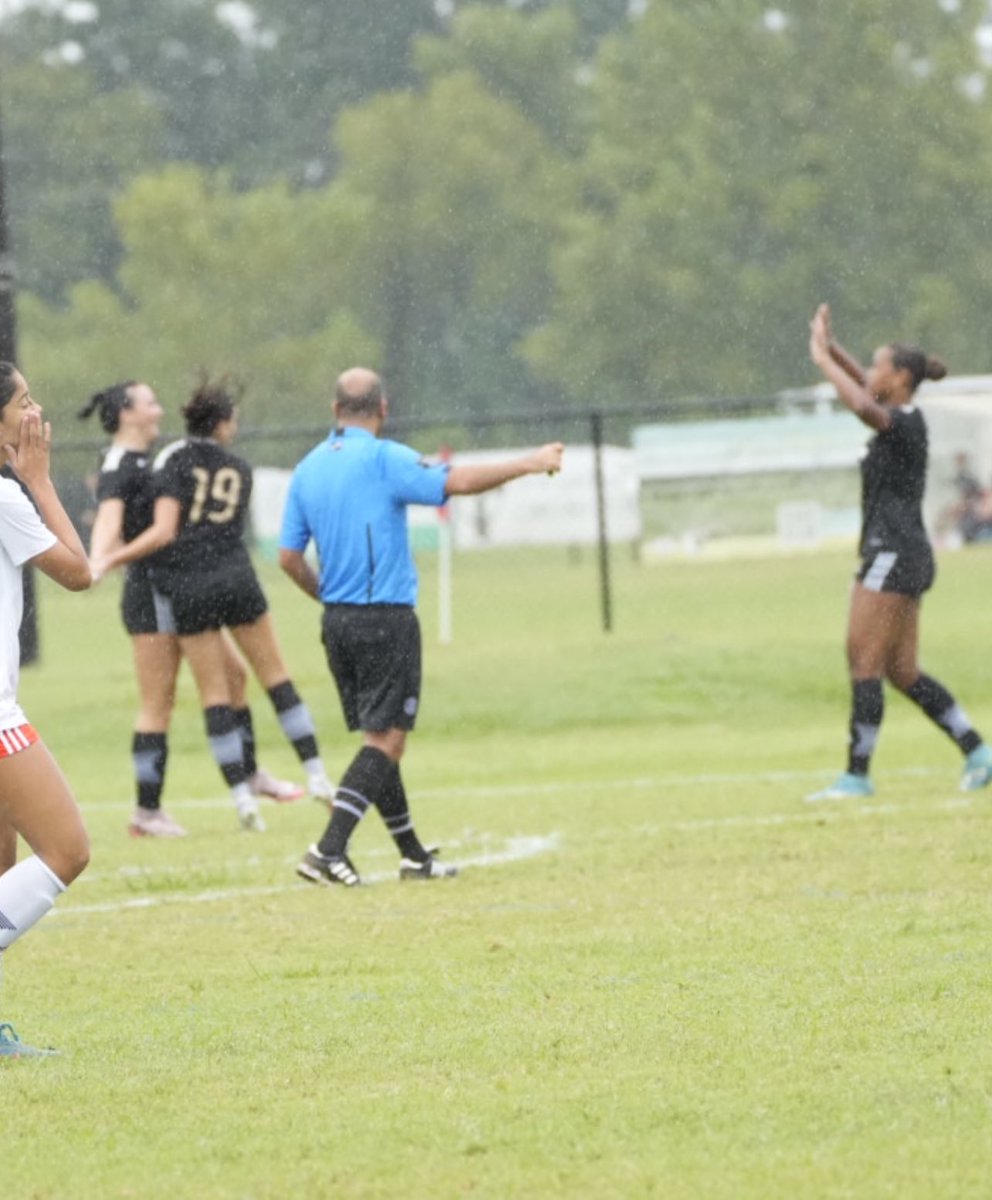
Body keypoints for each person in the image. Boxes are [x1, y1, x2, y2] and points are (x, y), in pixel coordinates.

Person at [278, 366, 564, 886]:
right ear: (383, 409)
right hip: (385, 618)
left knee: (381, 740)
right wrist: (529, 462)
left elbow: (288, 558)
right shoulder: (386, 458)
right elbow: (457, 482)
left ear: (335, 410)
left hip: (337, 621)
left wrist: (330, 597)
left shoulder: (307, 468)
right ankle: (327, 849)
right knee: (385, 742)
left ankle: (412, 856)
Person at [92, 375, 334, 831]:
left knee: (235, 676)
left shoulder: (157, 459)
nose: (159, 409)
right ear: (126, 413)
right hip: (155, 592)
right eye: (150, 402)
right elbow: (110, 517)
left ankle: (249, 773)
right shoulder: (121, 464)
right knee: (159, 701)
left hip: (185, 582)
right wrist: (98, 560)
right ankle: (147, 810)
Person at [806, 304, 992, 801]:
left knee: (863, 662)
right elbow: (867, 391)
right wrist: (833, 348)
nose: (869, 373)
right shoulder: (904, 415)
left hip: (892, 554)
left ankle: (856, 775)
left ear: (901, 377)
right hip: (908, 553)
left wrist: (824, 363)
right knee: (902, 671)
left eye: (877, 365)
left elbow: (866, 407)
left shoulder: (903, 421)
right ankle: (978, 750)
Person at [0, 363, 92, 1057]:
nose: (36, 412)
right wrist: (39, 478)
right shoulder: (6, 496)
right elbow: (79, 570)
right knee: (65, 851)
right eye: (24, 401)